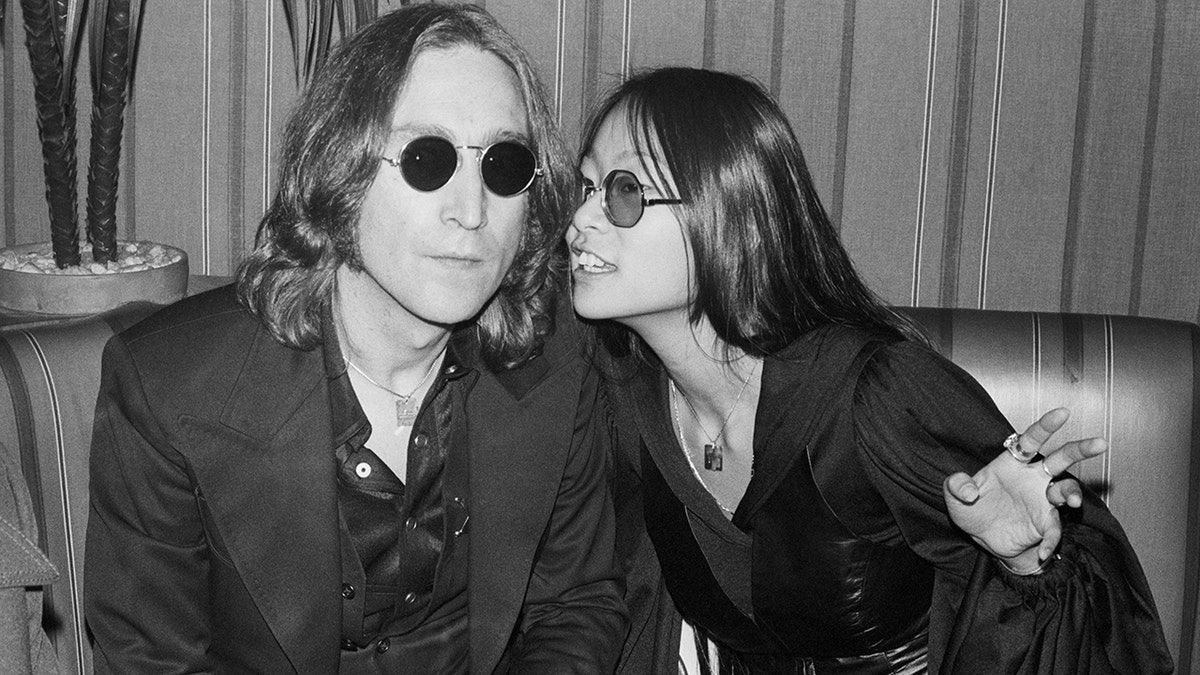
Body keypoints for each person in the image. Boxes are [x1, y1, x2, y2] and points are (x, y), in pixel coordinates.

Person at [568, 67, 1173, 673]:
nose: (580, 222)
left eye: (624, 192)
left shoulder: (871, 395)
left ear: (732, 218)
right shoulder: (621, 401)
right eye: (585, 186)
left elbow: (1098, 615)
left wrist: (1027, 563)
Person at [83, 5, 624, 673]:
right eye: (428, 159)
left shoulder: (556, 362)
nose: (472, 210)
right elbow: (153, 662)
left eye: (504, 165)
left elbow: (574, 607)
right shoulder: (167, 386)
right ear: (340, 168)